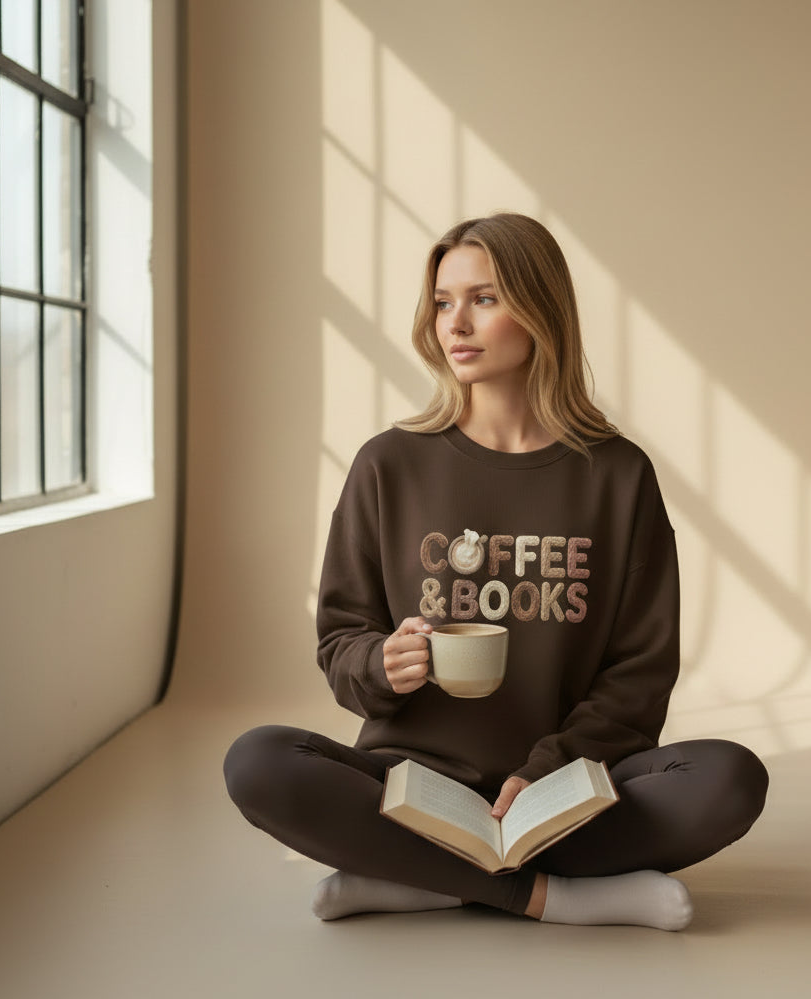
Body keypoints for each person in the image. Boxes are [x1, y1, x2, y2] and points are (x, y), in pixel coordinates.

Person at [224, 212, 768, 931]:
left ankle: (415, 877)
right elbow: (342, 639)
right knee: (259, 761)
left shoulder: (617, 474)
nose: (456, 324)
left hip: (566, 789)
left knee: (730, 777)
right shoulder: (389, 464)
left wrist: (545, 771)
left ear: (541, 309)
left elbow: (639, 670)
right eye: (443, 302)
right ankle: (551, 897)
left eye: (484, 299)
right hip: (412, 787)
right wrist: (382, 663)